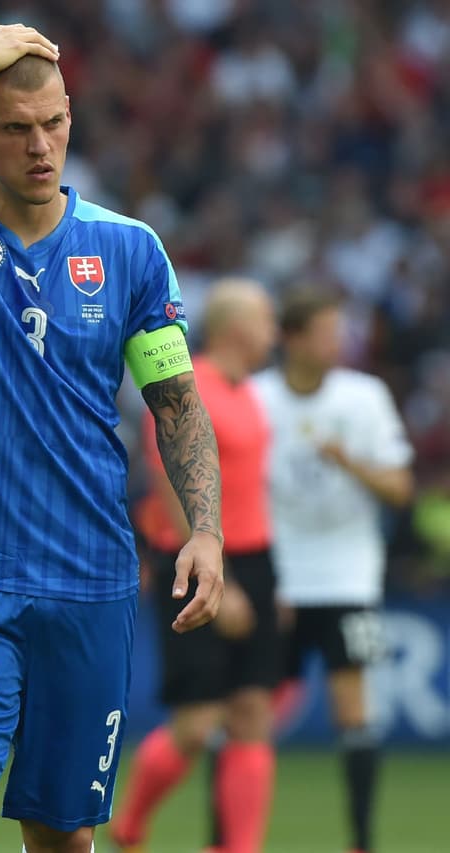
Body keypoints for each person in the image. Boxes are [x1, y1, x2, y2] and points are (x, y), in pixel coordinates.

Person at [0, 24, 225, 853]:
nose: (41, 145)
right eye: (16, 127)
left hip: (88, 581)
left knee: (61, 838)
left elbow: (176, 404)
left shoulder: (130, 251)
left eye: (55, 123)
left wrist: (205, 529)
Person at [111, 280, 280, 853]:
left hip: (256, 557)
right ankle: (130, 823)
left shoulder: (250, 393)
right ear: (236, 328)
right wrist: (216, 573)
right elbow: (168, 484)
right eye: (266, 321)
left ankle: (239, 846)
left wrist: (267, 578)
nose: (273, 333)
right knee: (197, 721)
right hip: (199, 555)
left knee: (253, 709)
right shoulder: (192, 387)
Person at [253, 290, 413, 853]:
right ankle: (232, 838)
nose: (337, 343)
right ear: (292, 340)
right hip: (278, 577)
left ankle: (361, 842)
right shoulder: (258, 398)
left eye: (339, 333)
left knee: (353, 709)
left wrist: (350, 462)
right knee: (250, 713)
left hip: (348, 576)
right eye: (325, 332)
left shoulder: (364, 398)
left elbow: (400, 488)